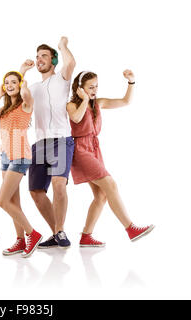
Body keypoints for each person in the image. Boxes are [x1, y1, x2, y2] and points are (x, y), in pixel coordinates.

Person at [66, 70, 154, 247]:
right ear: (80, 88)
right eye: (90, 87)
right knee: (111, 184)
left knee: (101, 196)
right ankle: (130, 228)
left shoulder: (99, 103)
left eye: (96, 86)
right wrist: (84, 99)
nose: (95, 90)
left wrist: (131, 82)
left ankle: (86, 236)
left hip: (95, 149)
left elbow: (126, 101)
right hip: (81, 150)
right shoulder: (71, 105)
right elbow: (76, 118)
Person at [19, 36, 76, 248]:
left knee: (58, 184)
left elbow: (70, 63)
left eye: (44, 56)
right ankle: (56, 233)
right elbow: (20, 94)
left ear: (53, 60)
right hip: (39, 143)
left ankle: (59, 230)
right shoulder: (33, 87)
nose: (39, 59)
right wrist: (22, 71)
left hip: (61, 140)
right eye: (37, 56)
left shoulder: (62, 78)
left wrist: (62, 46)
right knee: (35, 191)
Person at [0, 71, 43, 258]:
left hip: (20, 156)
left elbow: (26, 95)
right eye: (6, 82)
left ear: (19, 85)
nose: (10, 85)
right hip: (6, 156)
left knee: (2, 201)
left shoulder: (25, 105)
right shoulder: (5, 110)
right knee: (13, 202)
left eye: (13, 82)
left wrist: (23, 82)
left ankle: (32, 234)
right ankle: (19, 241)